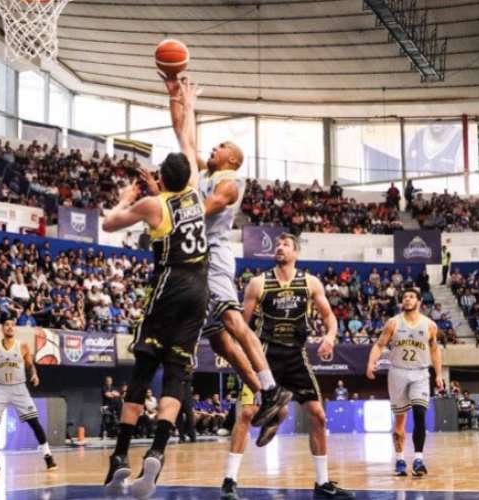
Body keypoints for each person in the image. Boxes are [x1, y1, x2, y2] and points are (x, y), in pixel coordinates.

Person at [162, 73, 291, 433]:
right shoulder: (206, 174)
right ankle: (268, 399)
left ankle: (270, 387)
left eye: (220, 146)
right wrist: (179, 97)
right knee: (218, 337)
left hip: (213, 258)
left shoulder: (229, 183)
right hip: (195, 259)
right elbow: (184, 137)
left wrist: (172, 216)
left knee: (233, 322)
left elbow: (201, 210)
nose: (213, 149)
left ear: (232, 159)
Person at [101, 126, 210, 497]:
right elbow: (189, 148)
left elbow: (109, 222)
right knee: (178, 372)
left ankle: (119, 457)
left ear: (161, 179)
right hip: (200, 291)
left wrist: (125, 196)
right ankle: (158, 451)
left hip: (170, 285)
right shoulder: (194, 193)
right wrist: (186, 99)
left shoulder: (153, 204)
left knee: (145, 368)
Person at [221, 234, 354, 500]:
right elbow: (242, 325)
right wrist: (239, 353)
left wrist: (329, 337)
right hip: (265, 354)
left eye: (285, 245)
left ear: (296, 252)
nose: (280, 247)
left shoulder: (310, 282)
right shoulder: (258, 283)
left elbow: (329, 317)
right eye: (278, 244)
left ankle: (323, 482)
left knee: (318, 415)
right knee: (246, 413)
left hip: (295, 355)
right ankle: (229, 481)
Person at [367, 287, 443, 477]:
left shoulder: (430, 325)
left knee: (419, 413)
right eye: (404, 297)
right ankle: (400, 459)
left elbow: (435, 351)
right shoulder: (393, 323)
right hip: (398, 372)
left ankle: (418, 459)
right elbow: (379, 345)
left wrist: (439, 374)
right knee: (400, 420)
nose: (407, 299)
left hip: (420, 373)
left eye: (411, 297)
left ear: (419, 302)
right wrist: (371, 363)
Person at [0, 319, 57, 474]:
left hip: (19, 387)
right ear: (2, 328)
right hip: (0, 388)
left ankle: (48, 456)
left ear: (15, 329)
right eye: (7, 325)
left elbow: (30, 365)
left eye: (12, 325)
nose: (10, 327)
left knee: (34, 422)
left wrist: (34, 374)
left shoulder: (22, 345)